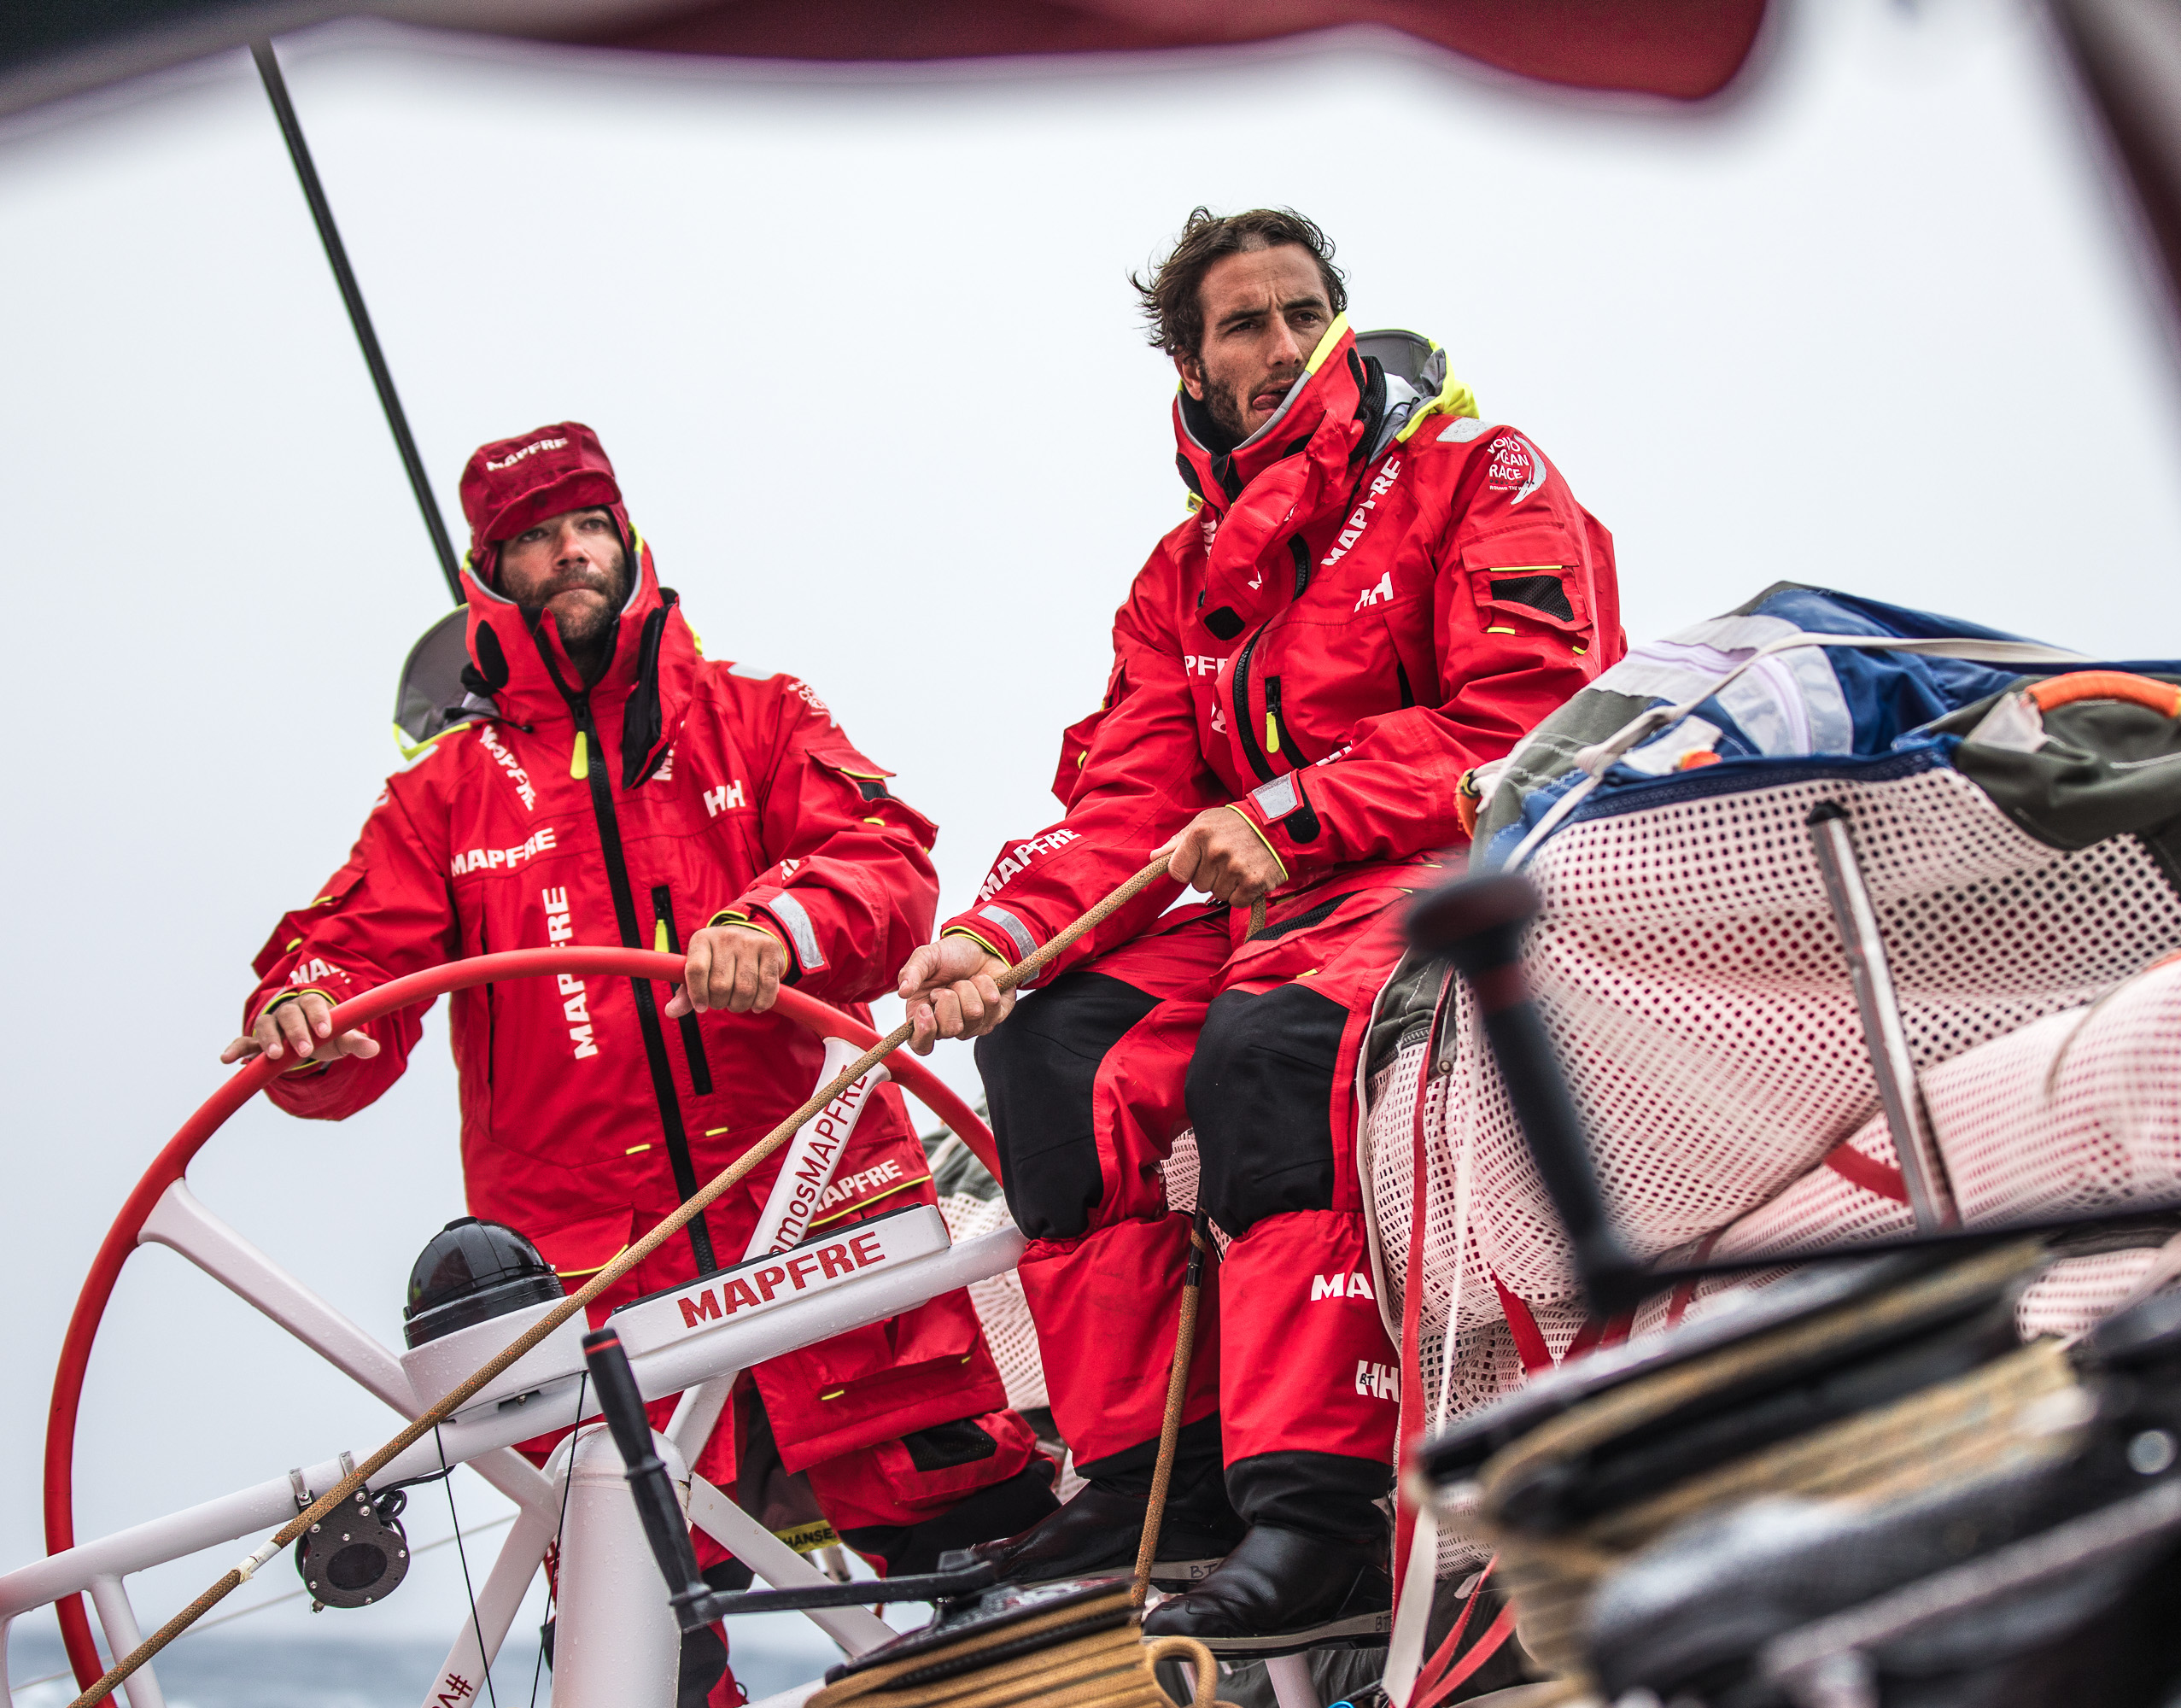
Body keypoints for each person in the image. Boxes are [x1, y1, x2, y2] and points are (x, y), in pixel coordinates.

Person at [227, 423, 1055, 1707]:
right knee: (647, 1646)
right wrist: (308, 1014)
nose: (568, 553)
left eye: (586, 525)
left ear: (625, 537)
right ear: (487, 572)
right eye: (533, 537)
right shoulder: (439, 800)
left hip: (817, 1217)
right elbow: (350, 970)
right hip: (594, 1274)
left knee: (980, 1578)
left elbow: (885, 867)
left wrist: (771, 926)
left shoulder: (760, 718)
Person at [898, 208, 1626, 1651]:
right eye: (1244, 322)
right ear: (1189, 361)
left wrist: (1291, 813)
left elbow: (1528, 715)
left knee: (1268, 1048)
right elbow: (1126, 807)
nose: (1283, 344)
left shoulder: (1480, 475)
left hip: (1443, 871)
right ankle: (1143, 1483)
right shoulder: (1176, 584)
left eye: (1304, 311)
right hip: (1270, 896)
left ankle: (1318, 1509)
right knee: (1058, 1046)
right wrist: (993, 939)